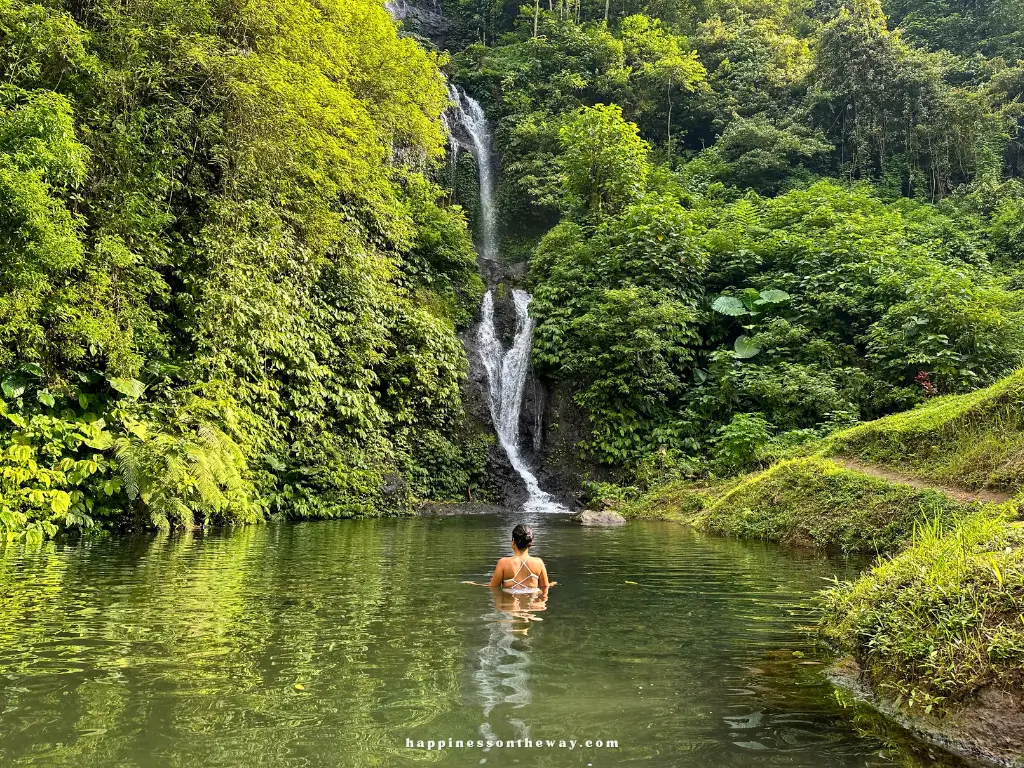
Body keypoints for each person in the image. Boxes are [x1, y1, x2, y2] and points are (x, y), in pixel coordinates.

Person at [463, 524, 556, 594]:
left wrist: (473, 583)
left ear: (513, 542)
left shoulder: (503, 563)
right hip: (532, 607)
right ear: (530, 544)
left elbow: (493, 587)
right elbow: (545, 588)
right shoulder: (539, 563)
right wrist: (553, 584)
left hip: (511, 606)